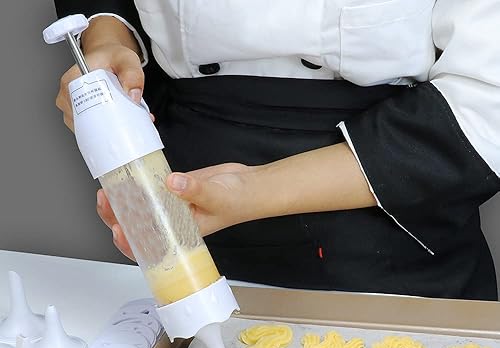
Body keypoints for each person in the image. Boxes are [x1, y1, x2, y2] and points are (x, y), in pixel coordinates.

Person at [54, 1, 500, 300]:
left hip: (390, 187)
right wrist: (106, 37)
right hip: (186, 179)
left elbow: (487, 103)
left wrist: (251, 190)